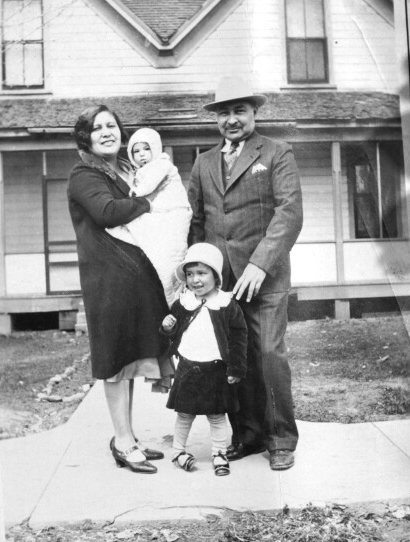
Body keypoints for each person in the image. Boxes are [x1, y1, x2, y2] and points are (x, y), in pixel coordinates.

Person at [187, 76, 303, 471]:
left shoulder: (277, 152)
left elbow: (289, 213)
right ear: (216, 119)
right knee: (232, 360)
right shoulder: (203, 162)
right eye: (224, 113)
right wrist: (197, 275)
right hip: (222, 284)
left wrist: (260, 263)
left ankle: (280, 440)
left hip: (265, 279)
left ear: (254, 113)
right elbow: (196, 222)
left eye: (240, 111)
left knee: (268, 355)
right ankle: (248, 435)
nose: (232, 119)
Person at [67, 105, 172, 474]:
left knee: (128, 358)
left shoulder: (126, 170)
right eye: (97, 128)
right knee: (114, 359)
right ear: (86, 138)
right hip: (107, 280)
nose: (107, 132)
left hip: (132, 279)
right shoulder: (83, 174)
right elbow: (107, 212)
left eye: (111, 125)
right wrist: (148, 203)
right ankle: (123, 441)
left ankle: (128, 437)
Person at [160, 243, 247, 476]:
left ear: (216, 276)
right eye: (190, 274)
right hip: (188, 367)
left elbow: (239, 337)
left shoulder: (226, 304)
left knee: (217, 415)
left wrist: (236, 368)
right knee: (184, 413)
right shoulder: (184, 302)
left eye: (201, 273)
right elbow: (174, 331)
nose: (195, 280)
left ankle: (219, 453)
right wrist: (168, 327)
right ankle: (178, 451)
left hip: (216, 368)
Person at [106, 127, 192, 303]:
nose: (142, 155)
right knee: (157, 255)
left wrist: (135, 193)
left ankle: (171, 298)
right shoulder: (139, 171)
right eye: (136, 151)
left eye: (146, 149)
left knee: (168, 257)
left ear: (155, 148)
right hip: (158, 212)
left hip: (173, 211)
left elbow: (147, 186)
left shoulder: (162, 164)